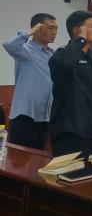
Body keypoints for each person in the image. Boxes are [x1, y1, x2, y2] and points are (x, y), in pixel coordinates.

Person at [48, 11, 92, 158]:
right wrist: (81, 40)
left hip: (88, 128)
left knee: (85, 171)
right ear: (77, 30)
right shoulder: (61, 54)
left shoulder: (90, 56)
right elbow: (66, 65)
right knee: (68, 171)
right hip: (69, 129)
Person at [2, 13, 57, 149]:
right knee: (18, 159)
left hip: (44, 117)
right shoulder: (25, 51)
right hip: (25, 116)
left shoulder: (52, 54)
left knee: (37, 159)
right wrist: (31, 31)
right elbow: (8, 45)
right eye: (50, 28)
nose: (54, 32)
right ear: (38, 29)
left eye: (56, 28)